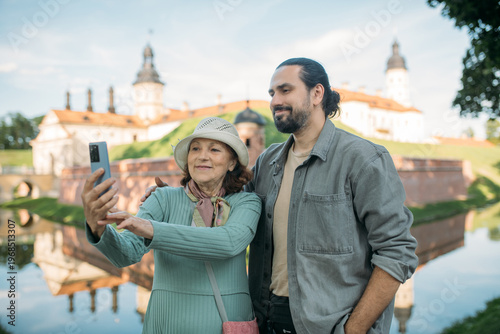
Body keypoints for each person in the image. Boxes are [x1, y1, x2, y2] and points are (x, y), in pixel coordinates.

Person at [142, 58, 418, 333]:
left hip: (328, 325)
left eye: (285, 90)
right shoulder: (267, 161)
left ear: (317, 94)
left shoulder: (363, 159)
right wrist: (174, 199)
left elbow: (397, 252)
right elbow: (222, 203)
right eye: (272, 93)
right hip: (265, 319)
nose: (275, 101)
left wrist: (353, 330)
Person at [81, 117, 262, 333]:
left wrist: (152, 229)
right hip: (165, 323)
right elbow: (125, 254)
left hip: (227, 323)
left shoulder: (247, 202)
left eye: (214, 150)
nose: (202, 156)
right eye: (195, 149)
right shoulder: (162, 199)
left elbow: (228, 242)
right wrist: (98, 227)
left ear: (232, 163)